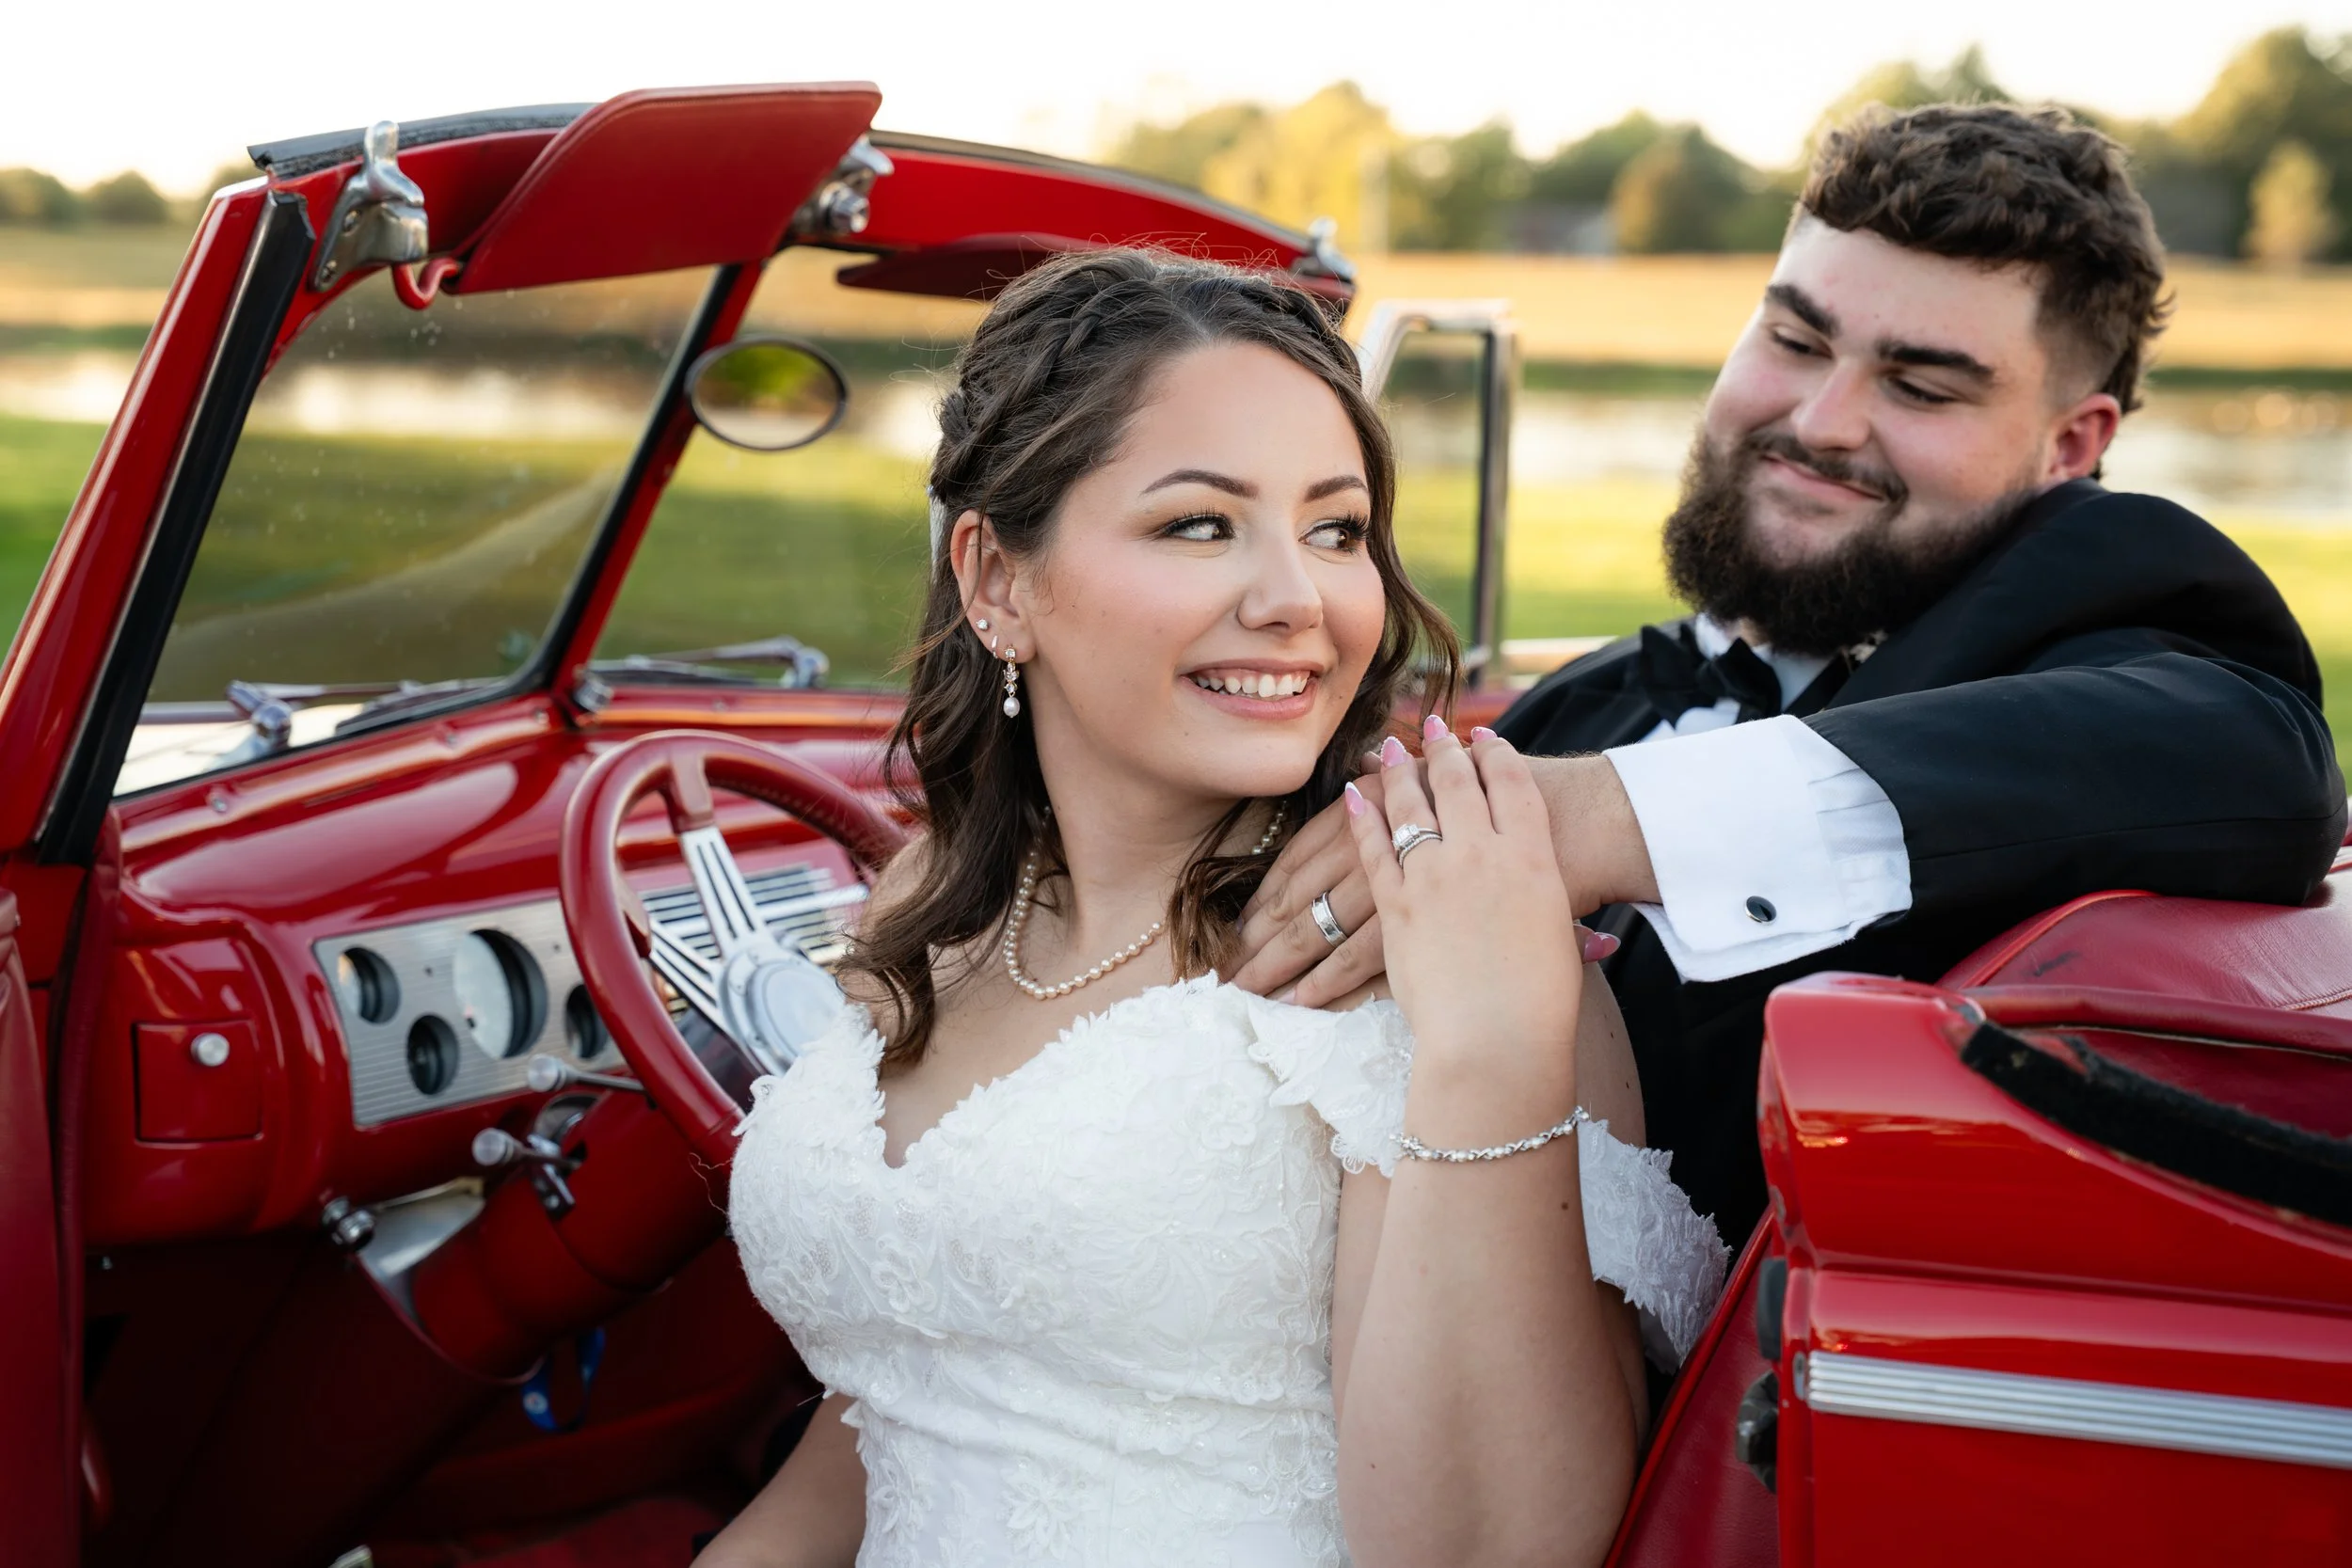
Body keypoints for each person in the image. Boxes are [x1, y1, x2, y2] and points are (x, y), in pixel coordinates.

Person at [702, 250, 1726, 1568]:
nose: (1296, 598)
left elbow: (1493, 1548)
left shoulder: (1443, 954)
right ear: (996, 579)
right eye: (1201, 523)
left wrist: (1491, 1052)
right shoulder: (930, 903)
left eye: (1337, 529)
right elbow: (912, 1387)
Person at [1234, 103, 2348, 1250]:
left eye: (1921, 387)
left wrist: (1598, 818)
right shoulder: (1586, 703)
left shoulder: (2108, 614)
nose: (1819, 421)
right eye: (1795, 341)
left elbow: (2251, 755)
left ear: (2071, 445)